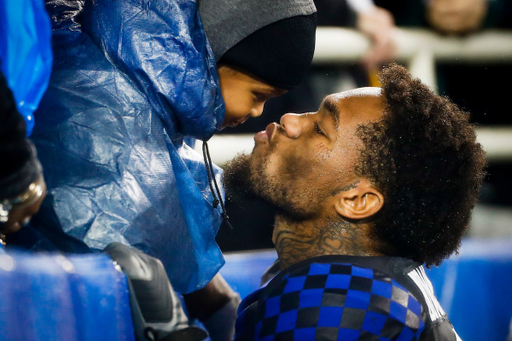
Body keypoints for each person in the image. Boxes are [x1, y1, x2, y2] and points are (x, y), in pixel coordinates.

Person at [18, 0, 317, 297]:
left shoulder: (150, 99)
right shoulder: (96, 106)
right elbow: (100, 262)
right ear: (209, 56)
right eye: (258, 95)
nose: (257, 112)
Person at [223, 63, 486, 340]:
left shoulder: (336, 307)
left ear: (358, 200)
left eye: (320, 129)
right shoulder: (370, 287)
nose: (289, 119)